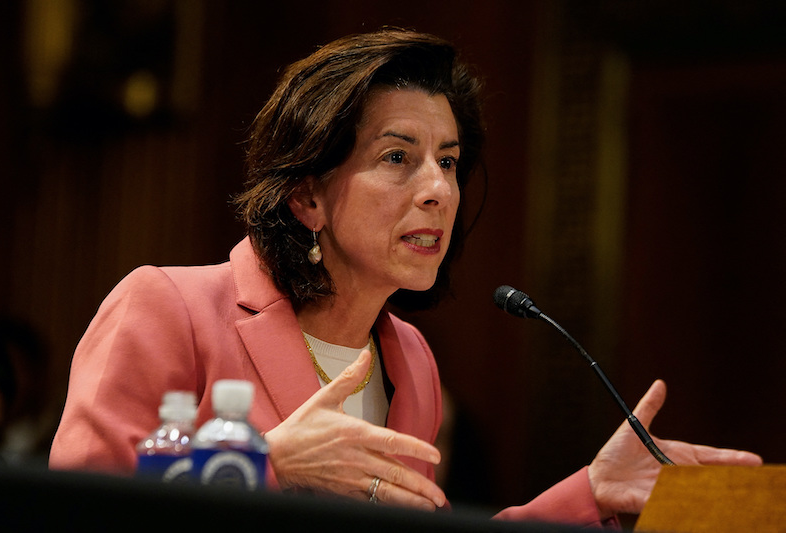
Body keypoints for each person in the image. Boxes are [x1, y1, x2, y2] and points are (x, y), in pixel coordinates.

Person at [49, 28, 761, 527]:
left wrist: (592, 491)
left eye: (448, 161)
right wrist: (268, 468)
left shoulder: (408, 360)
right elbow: (72, 513)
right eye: (398, 157)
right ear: (307, 196)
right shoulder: (168, 307)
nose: (439, 190)